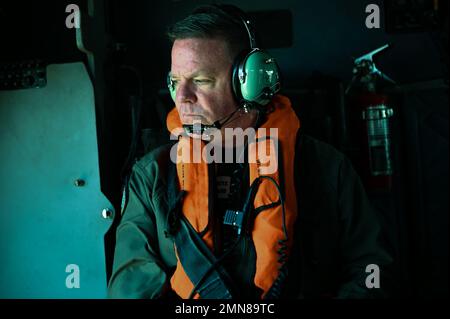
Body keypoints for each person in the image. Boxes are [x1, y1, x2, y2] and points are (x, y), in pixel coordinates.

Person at [107, 4, 394, 299]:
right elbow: (130, 290)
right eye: (175, 82)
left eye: (201, 81)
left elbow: (372, 273)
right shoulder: (151, 175)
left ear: (251, 84)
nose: (182, 99)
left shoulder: (326, 168)